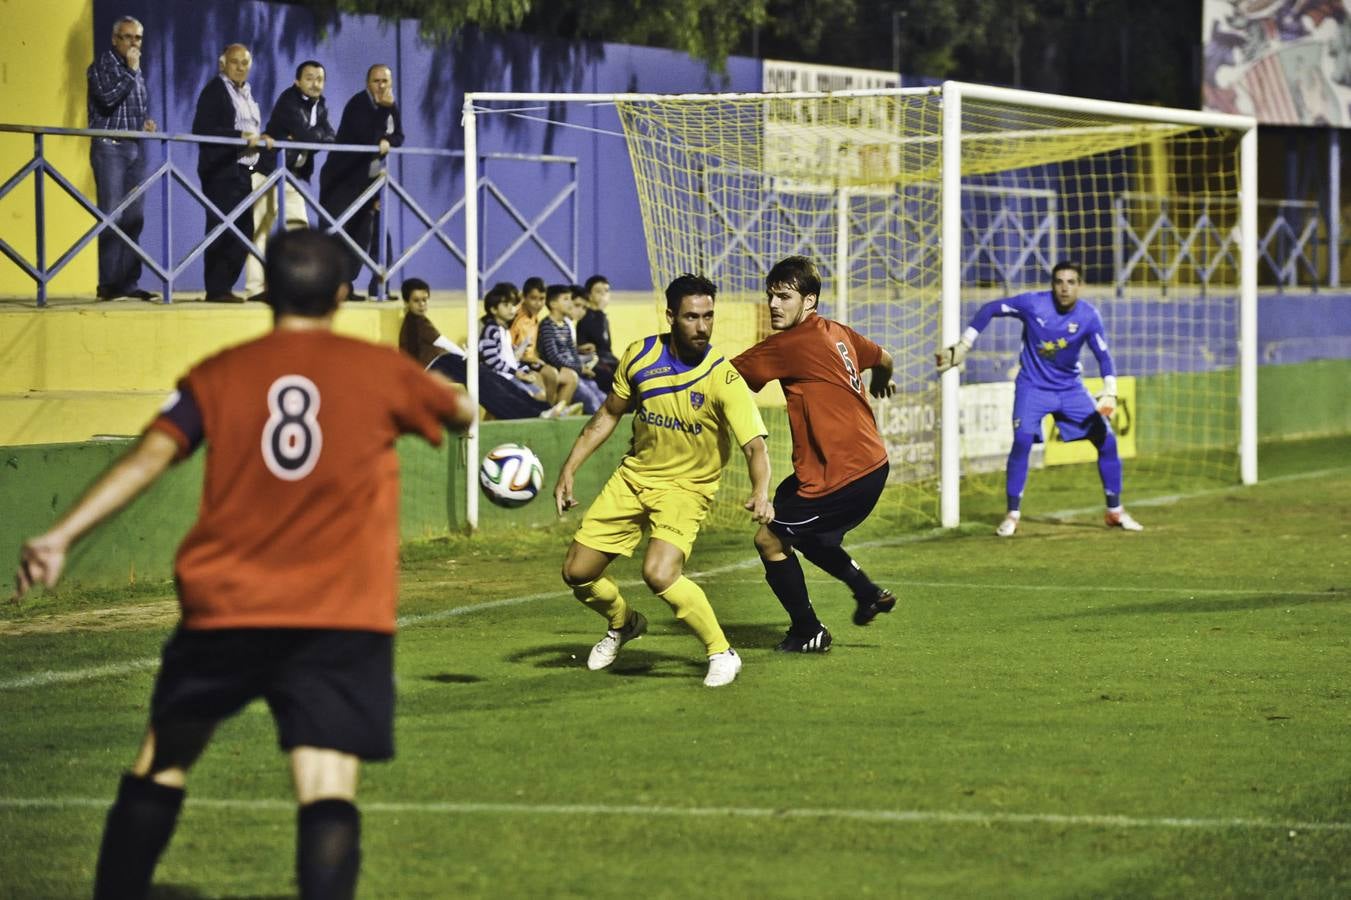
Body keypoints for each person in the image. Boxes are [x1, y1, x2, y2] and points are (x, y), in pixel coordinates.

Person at [11, 229, 473, 899]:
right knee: (325, 780)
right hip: (339, 611)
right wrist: (449, 398)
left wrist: (60, 536)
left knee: (164, 759)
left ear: (267, 291)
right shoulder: (379, 371)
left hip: (228, 605)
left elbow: (151, 455)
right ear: (342, 294)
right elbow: (459, 408)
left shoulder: (223, 371)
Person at [554, 274, 773, 688]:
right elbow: (608, 415)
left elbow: (755, 447)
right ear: (671, 316)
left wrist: (761, 490)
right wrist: (569, 468)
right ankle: (624, 623)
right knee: (577, 573)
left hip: (686, 490)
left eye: (709, 316)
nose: (702, 326)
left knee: (658, 572)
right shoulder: (639, 356)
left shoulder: (722, 377)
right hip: (634, 478)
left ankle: (721, 651)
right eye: (692, 317)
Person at [732, 255, 898, 653]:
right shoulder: (837, 332)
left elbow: (723, 379)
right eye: (771, 296)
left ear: (809, 301)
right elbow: (885, 357)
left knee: (769, 540)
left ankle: (808, 630)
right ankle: (867, 592)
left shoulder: (791, 343)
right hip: (860, 465)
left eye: (784, 297)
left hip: (842, 476)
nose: (774, 305)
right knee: (802, 532)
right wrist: (881, 382)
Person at [936, 260, 1144, 537]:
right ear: (1052, 285)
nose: (1065, 288)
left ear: (1079, 285)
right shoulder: (1033, 304)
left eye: (1071, 282)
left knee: (1107, 441)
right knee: (1022, 440)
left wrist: (1110, 390)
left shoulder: (1089, 316)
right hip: (1033, 387)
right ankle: (1012, 514)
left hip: (1070, 389)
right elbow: (989, 309)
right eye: (1059, 282)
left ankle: (1115, 511)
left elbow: (1103, 356)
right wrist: (965, 344)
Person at [399, 278, 570, 419]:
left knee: (488, 378)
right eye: (416, 300)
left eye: (425, 299)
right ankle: (536, 411)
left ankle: (543, 408)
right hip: (433, 365)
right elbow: (441, 342)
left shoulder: (417, 320)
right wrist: (465, 355)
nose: (422, 304)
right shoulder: (417, 321)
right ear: (407, 302)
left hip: (440, 361)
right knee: (485, 380)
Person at [245, 59, 336, 302]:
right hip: (268, 173)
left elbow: (331, 137)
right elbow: (310, 136)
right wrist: (311, 136)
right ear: (297, 81)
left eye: (319, 79)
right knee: (259, 231)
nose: (315, 84)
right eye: (309, 78)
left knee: (300, 231)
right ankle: (255, 289)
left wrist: (310, 137)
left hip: (293, 177)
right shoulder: (289, 100)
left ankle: (299, 286)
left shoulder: (322, 105)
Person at [192, 43, 272, 303]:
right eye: (235, 62)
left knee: (245, 229)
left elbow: (252, 131)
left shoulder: (247, 93)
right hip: (222, 170)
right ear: (222, 64)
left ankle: (225, 285)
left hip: (245, 170)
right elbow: (203, 129)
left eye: (245, 63)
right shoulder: (214, 91)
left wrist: (262, 138)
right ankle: (216, 289)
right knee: (222, 228)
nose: (240, 67)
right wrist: (239, 137)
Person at [87, 15, 159, 302]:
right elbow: (106, 98)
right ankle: (108, 285)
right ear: (115, 39)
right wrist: (130, 72)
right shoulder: (103, 65)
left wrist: (144, 123)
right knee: (112, 216)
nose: (133, 43)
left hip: (133, 148)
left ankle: (128, 284)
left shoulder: (135, 69)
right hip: (109, 147)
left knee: (134, 217)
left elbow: (131, 107)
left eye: (138, 38)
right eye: (127, 37)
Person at [320, 63, 403, 300]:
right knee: (336, 234)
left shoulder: (390, 105)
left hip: (371, 182)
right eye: (376, 81)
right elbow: (366, 137)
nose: (381, 86)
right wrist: (383, 116)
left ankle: (380, 287)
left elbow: (399, 136)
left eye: (385, 81)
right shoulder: (358, 104)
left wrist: (388, 138)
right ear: (368, 83)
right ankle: (333, 288)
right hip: (342, 180)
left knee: (374, 234)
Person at [538, 284, 606, 414]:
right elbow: (553, 357)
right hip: (560, 371)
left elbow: (572, 351)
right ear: (553, 304)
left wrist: (580, 367)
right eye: (566, 299)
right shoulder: (547, 325)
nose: (570, 303)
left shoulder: (565, 325)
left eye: (570, 299)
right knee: (590, 399)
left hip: (574, 370)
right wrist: (579, 368)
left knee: (600, 396)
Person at [511, 276, 575, 407]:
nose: (538, 303)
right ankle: (543, 409)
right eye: (533, 298)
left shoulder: (534, 316)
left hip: (531, 361)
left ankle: (553, 411)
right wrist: (531, 360)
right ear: (524, 297)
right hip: (517, 364)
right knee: (543, 385)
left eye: (541, 299)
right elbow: (510, 351)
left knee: (564, 375)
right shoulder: (514, 318)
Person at [576, 274, 619, 392]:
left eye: (606, 291)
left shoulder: (603, 317)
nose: (604, 295)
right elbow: (594, 345)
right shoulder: (585, 317)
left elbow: (607, 348)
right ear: (589, 295)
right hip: (593, 361)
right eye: (598, 292)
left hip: (607, 359)